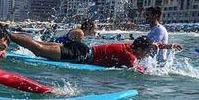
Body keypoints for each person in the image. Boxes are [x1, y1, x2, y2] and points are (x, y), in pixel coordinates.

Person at [11, 33, 181, 70]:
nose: (147, 54)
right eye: (146, 51)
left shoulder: (129, 45)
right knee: (39, 49)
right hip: (81, 56)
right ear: (139, 49)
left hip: (83, 48)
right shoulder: (130, 56)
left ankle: (9, 34)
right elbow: (138, 70)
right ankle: (7, 35)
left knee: (40, 43)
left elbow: (153, 44)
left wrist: (168, 46)